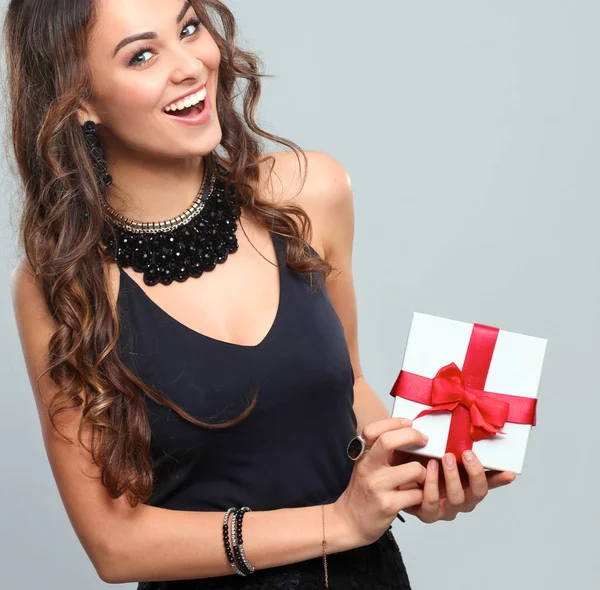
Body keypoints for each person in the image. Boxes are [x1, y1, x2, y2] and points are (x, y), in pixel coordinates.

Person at [6, 0, 517, 588]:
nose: (190, 65)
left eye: (189, 28)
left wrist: (415, 474)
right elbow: (115, 544)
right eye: (142, 55)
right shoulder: (63, 284)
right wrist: (340, 522)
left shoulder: (308, 191)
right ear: (80, 101)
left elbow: (347, 385)